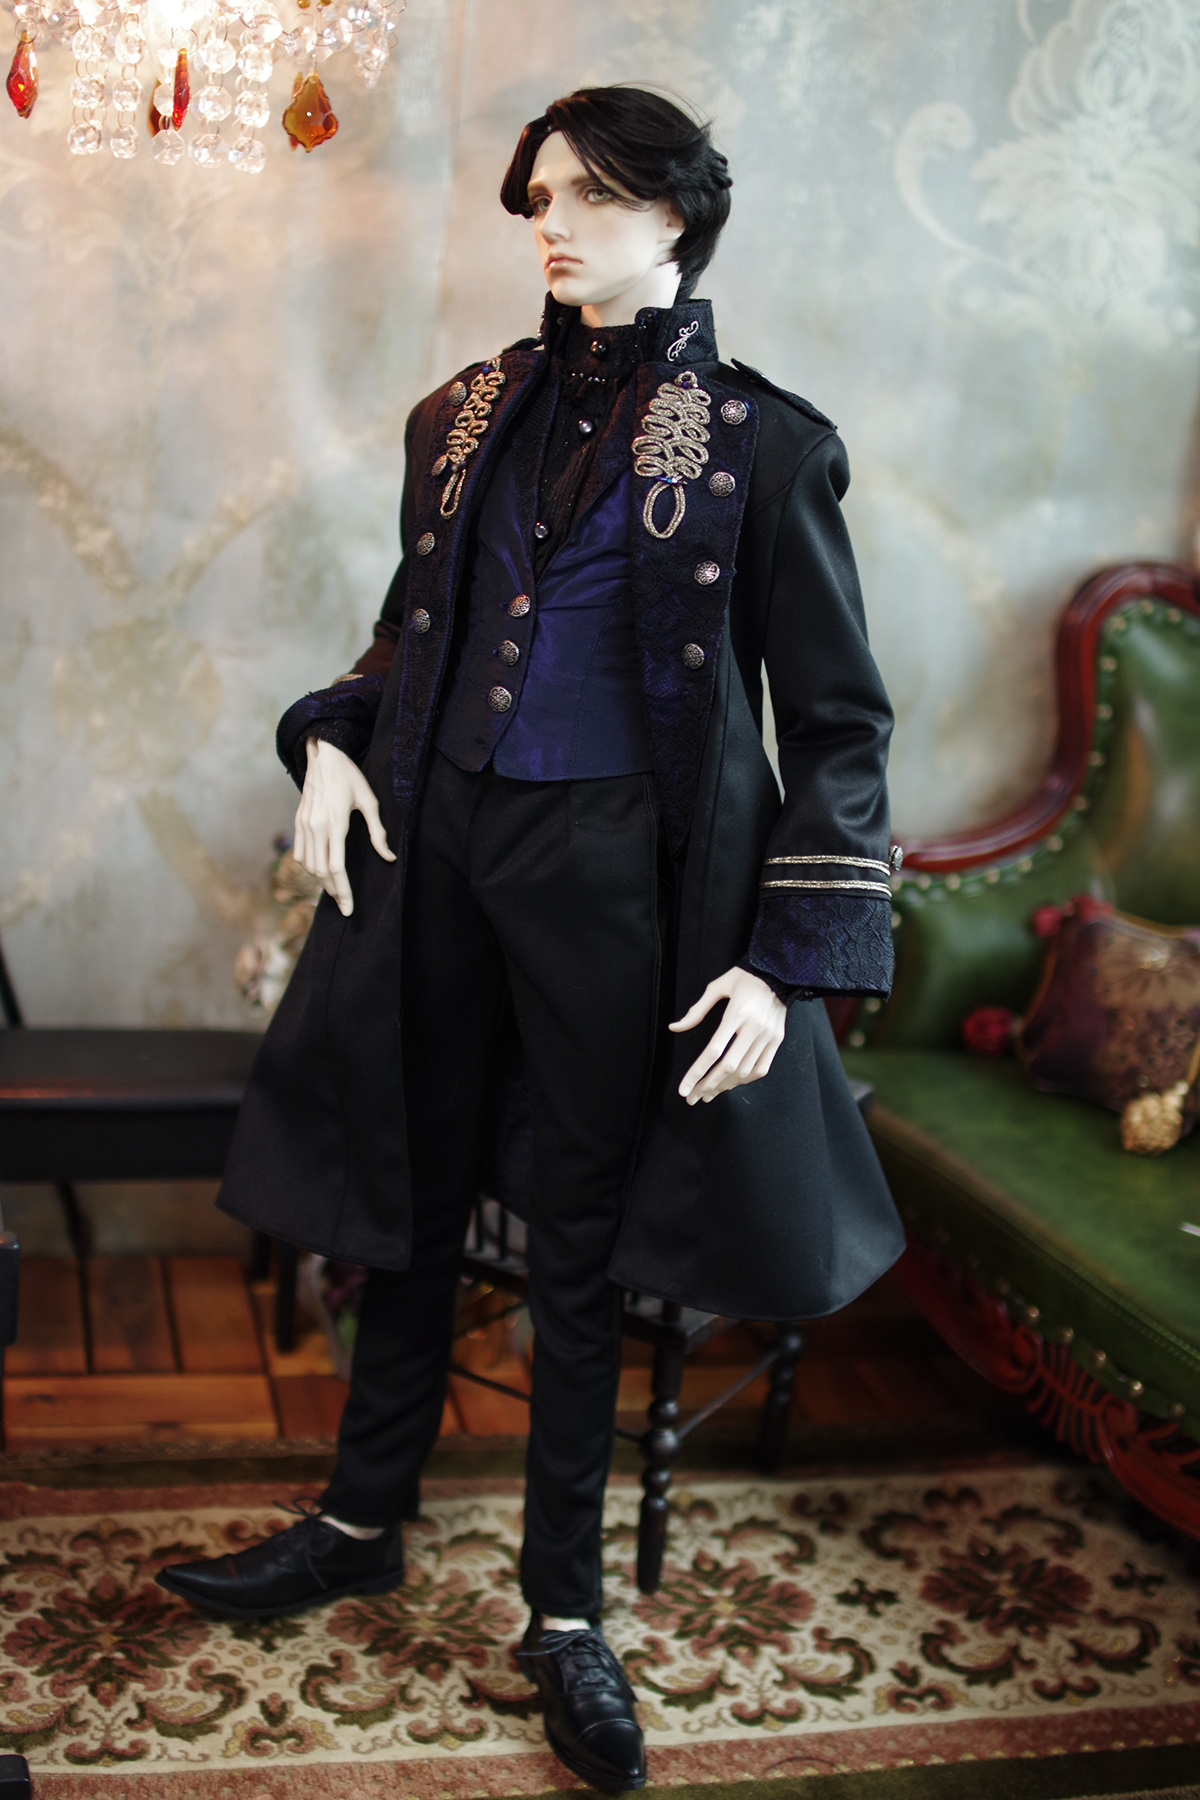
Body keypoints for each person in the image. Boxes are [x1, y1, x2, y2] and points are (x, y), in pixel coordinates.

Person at [158, 85, 904, 1794]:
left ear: (677, 215)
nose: (550, 223)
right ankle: (361, 1520)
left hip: (617, 879)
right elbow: (409, 640)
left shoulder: (764, 446)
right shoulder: (463, 413)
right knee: (405, 1192)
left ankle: (563, 1614)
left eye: (588, 195)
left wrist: (786, 956)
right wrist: (331, 743)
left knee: (574, 1240)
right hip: (437, 850)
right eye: (539, 196)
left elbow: (840, 726)